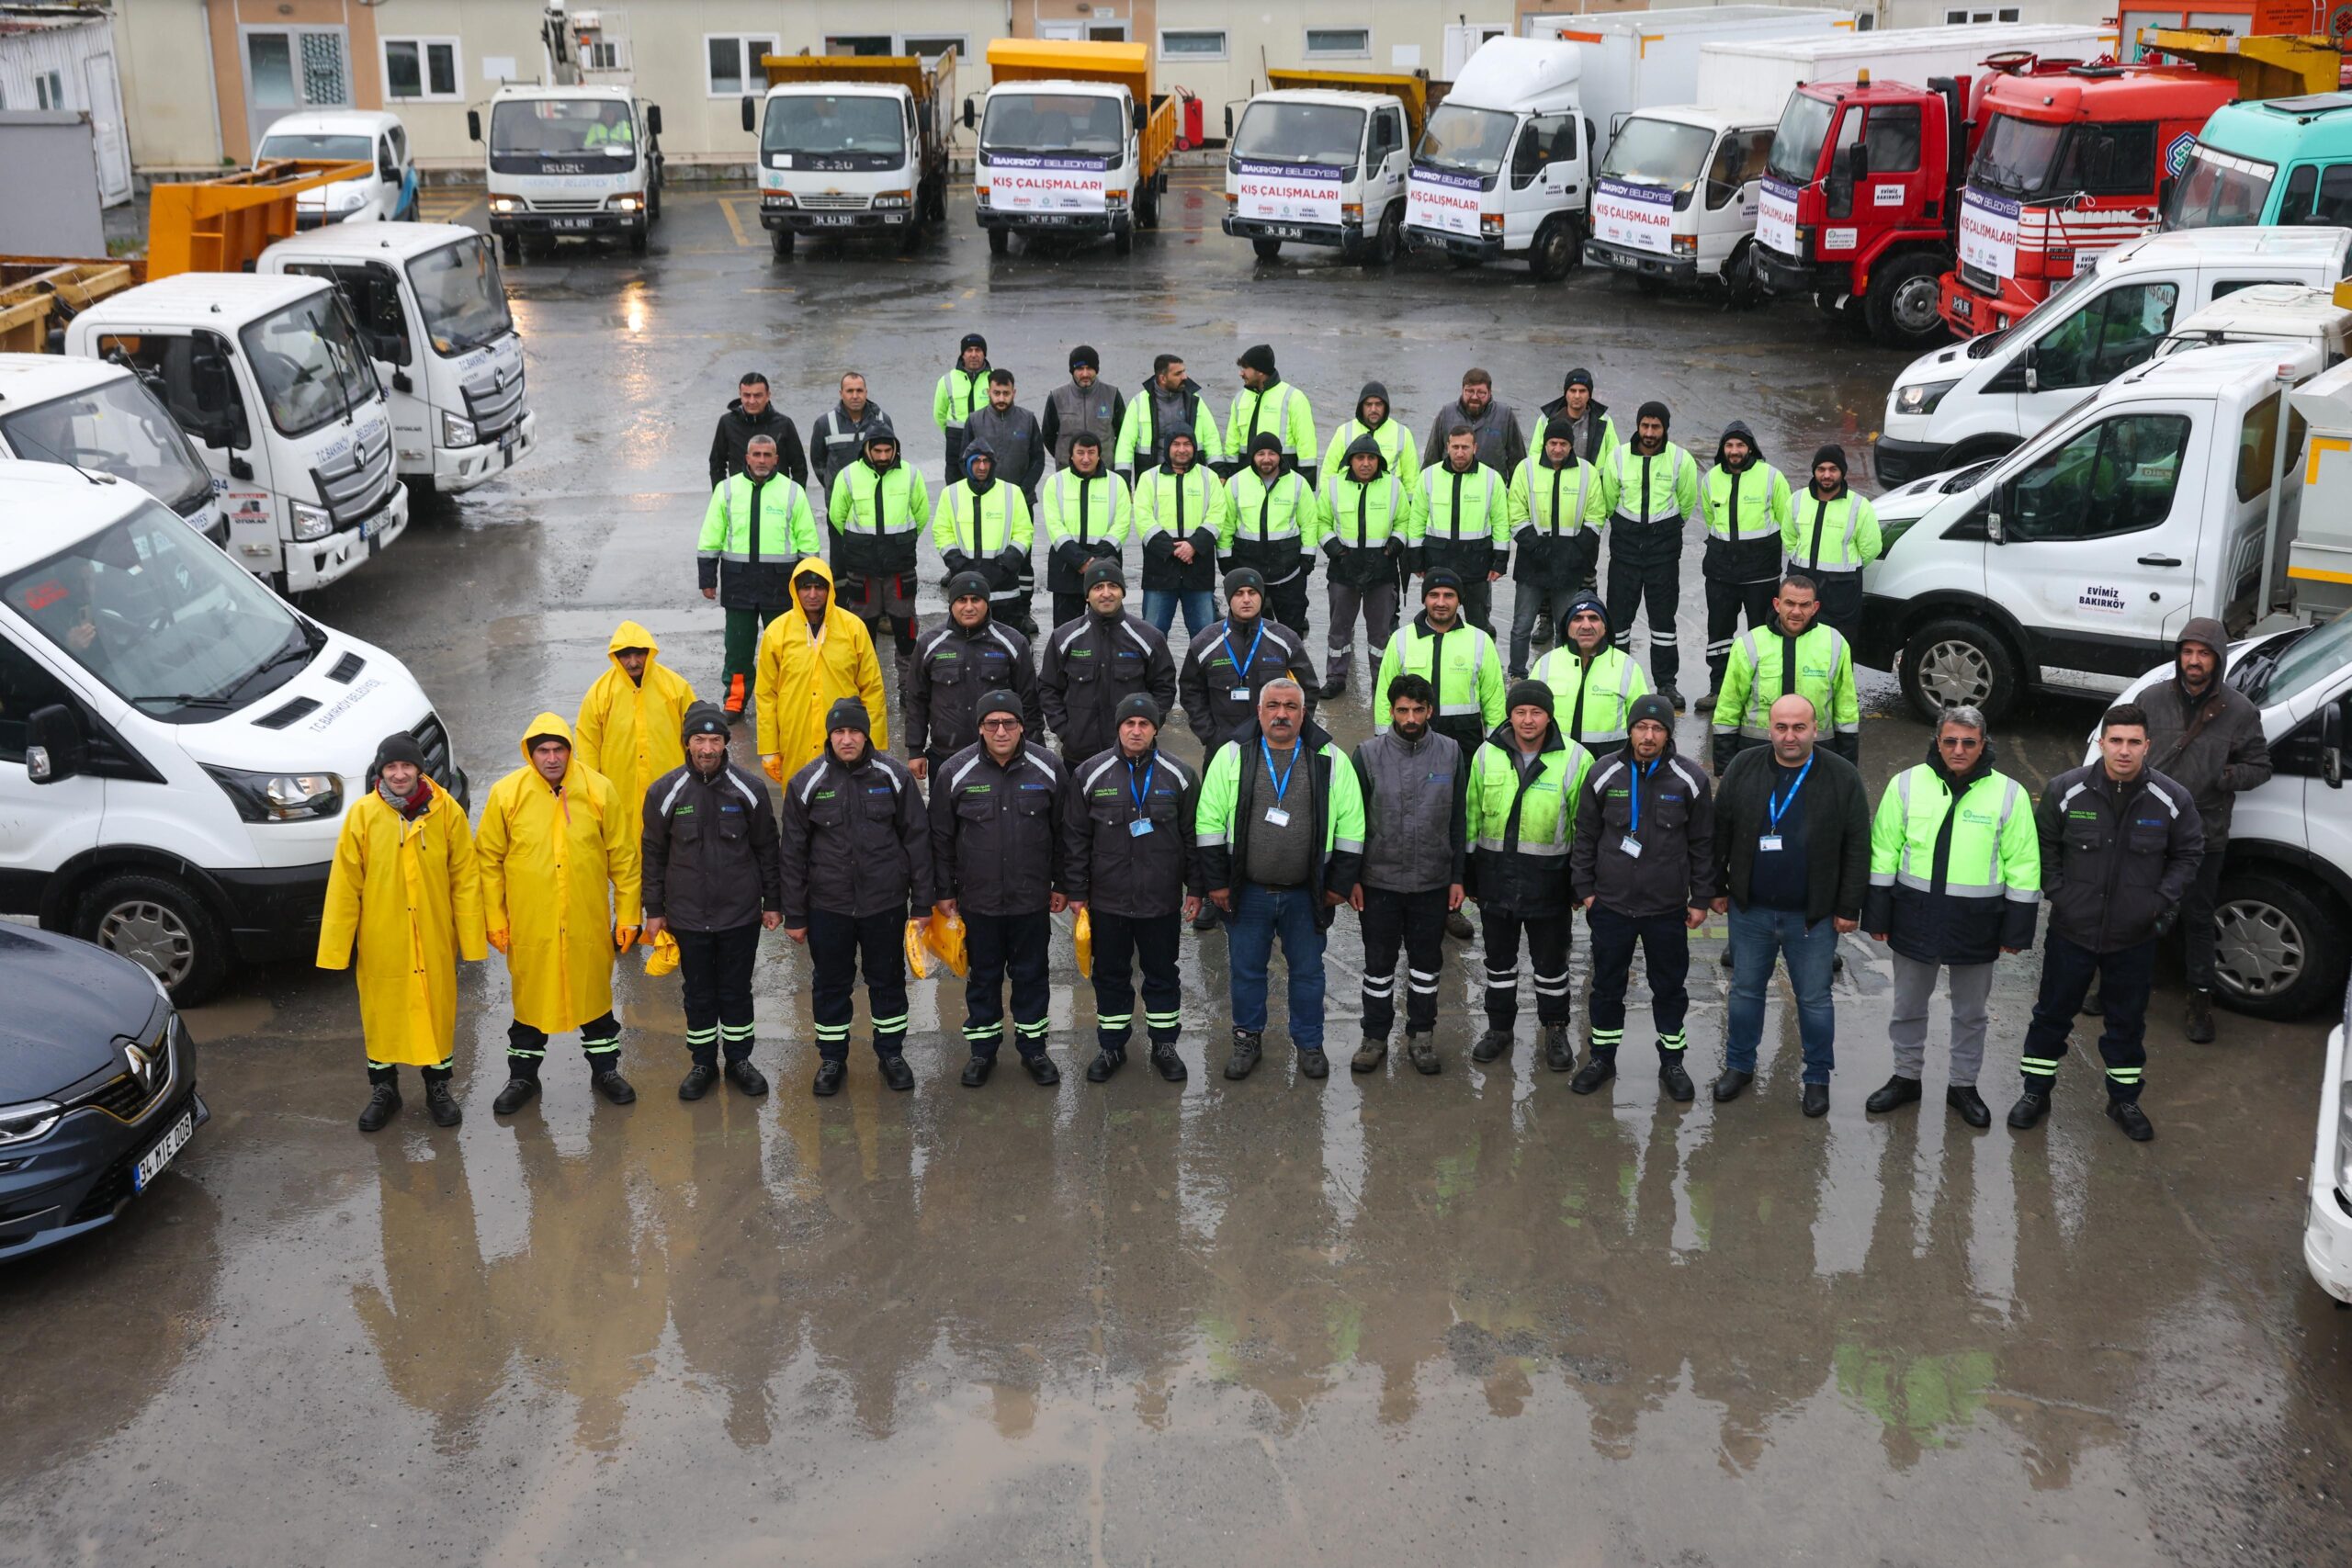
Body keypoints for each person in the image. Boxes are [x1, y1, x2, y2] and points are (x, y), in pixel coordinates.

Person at [2011, 703, 2204, 1143]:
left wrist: (2158, 902)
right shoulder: (2065, 790)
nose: (2124, 751)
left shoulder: (2172, 800)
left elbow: (2189, 854)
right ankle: (2035, 1093)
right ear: (2101, 743)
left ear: (2147, 746)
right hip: (2071, 933)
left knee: (2127, 1024)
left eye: (2134, 742)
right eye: (2115, 741)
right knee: (2050, 1016)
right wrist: (2060, 893)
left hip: (2133, 939)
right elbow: (2043, 846)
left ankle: (2124, 1099)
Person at [1861, 705, 2041, 1129]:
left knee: (1971, 1014)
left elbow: (2023, 863)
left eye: (1969, 742)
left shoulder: (2010, 794)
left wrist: (2016, 927)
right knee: (1907, 1006)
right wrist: (1879, 914)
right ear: (1937, 741)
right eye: (1950, 741)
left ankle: (1963, 1086)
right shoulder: (1904, 785)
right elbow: (1884, 851)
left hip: (1977, 921)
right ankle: (1906, 1078)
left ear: (1984, 744)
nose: (1958, 750)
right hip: (1913, 916)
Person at [1709, 694, 1870, 1118]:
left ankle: (1817, 1077)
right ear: (1769, 729)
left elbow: (1857, 847)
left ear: (1816, 729)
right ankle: (1739, 1066)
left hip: (1812, 917)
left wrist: (1849, 907)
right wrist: (1715, 888)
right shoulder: (1744, 767)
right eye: (1781, 727)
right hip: (1751, 911)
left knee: (1814, 999)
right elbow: (1719, 831)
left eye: (1799, 727)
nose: (1790, 736)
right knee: (1744, 991)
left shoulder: (1842, 776)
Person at [1196, 678, 1366, 1081]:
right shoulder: (1232, 756)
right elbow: (1208, 820)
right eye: (1273, 705)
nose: (1281, 714)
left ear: (1303, 713)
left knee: (1308, 973)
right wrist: (1216, 883)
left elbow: (1352, 826)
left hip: (1307, 895)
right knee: (1246, 971)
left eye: (1291, 706)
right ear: (1259, 711)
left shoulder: (1330, 758)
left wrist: (1338, 885)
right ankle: (1246, 1039)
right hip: (1247, 891)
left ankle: (1309, 1044)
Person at [318, 733, 485, 1132]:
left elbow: (465, 877)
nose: (398, 774)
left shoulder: (447, 814)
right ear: (380, 771)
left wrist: (472, 939)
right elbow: (345, 885)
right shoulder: (362, 815)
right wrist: (335, 949)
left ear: (418, 769)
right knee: (382, 1017)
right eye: (390, 767)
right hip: (382, 939)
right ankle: (384, 1091)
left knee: (436, 1014)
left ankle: (438, 1089)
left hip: (432, 936)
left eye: (406, 766)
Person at [477, 714, 643, 1115]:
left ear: (569, 750)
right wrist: (496, 919)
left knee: (595, 1005)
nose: (552, 759)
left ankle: (605, 1071)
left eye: (559, 750)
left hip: (586, 923)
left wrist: (627, 915)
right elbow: (488, 861)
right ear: (531, 754)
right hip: (533, 926)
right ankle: (523, 1077)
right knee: (531, 1007)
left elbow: (623, 857)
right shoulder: (507, 795)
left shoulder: (598, 790)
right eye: (543, 751)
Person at [779, 698, 934, 1096]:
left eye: (855, 731)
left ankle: (891, 1055)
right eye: (839, 732)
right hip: (828, 907)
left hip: (884, 903)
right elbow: (793, 853)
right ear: (829, 736)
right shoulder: (806, 782)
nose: (847, 739)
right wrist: (794, 915)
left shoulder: (895, 777)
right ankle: (832, 1059)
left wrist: (921, 905)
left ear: (867, 734)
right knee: (831, 984)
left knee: (887, 981)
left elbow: (917, 840)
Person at [1571, 693, 1714, 1099]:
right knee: (1606, 986)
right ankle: (1602, 1057)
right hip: (1611, 905)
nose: (1647, 736)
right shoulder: (1603, 773)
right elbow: (1585, 835)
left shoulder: (1690, 780)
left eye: (1657, 728)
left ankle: (1673, 1062)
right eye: (1641, 727)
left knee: (1669, 987)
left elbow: (1703, 843)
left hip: (1666, 909)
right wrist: (1585, 891)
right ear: (1630, 730)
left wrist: (1700, 899)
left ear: (1668, 733)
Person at [2135, 617, 2271, 1043]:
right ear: (2179, 656)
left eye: (2204, 653)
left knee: (2196, 917)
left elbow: (2260, 767)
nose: (2194, 661)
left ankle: (2199, 1003)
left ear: (2218, 659)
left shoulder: (2240, 711)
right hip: (2149, 828)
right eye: (2188, 652)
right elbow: (2126, 747)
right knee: (2136, 911)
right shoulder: (2151, 699)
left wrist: (2223, 776)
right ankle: (2123, 988)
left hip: (2204, 833)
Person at [640, 702, 783, 1100]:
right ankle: (703, 1063)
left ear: (726, 743)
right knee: (698, 993)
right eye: (699, 740)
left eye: (715, 740)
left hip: (739, 915)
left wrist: (773, 902)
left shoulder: (748, 790)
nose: (707, 748)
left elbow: (768, 848)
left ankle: (739, 1060)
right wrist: (654, 910)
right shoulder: (664, 792)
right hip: (686, 916)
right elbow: (652, 853)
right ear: (686, 744)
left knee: (736, 990)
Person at [930, 690, 1069, 1088]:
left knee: (1032, 975)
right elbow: (940, 838)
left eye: (1009, 722)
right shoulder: (954, 772)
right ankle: (982, 1052)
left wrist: (1063, 883)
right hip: (978, 900)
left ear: (1022, 726)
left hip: (1031, 899)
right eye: (992, 723)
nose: (1001, 730)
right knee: (983, 977)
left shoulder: (1049, 767)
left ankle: (1033, 1049)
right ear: (980, 728)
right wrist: (944, 892)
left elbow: (1066, 833)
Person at [1063, 693, 1201, 1084]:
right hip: (1108, 901)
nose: (1136, 730)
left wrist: (1197, 889)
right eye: (1129, 723)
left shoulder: (1180, 775)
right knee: (1109, 974)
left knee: (1162, 973)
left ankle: (1164, 1045)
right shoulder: (1089, 773)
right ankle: (1111, 1045)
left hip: (1161, 900)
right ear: (1118, 727)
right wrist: (1076, 890)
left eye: (1144, 724)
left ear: (1156, 729)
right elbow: (1074, 838)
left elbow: (1192, 836)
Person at [1464, 681, 1592, 1067]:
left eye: (1536, 712)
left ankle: (1555, 1030)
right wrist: (1469, 875)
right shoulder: (1486, 755)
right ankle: (1499, 1028)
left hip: (1549, 882)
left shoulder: (1575, 758)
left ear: (1549, 715)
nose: (1527, 720)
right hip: (1495, 880)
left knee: (1551, 966)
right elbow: (1470, 817)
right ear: (1510, 714)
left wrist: (1578, 883)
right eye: (1520, 712)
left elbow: (1584, 828)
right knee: (1498, 963)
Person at [1349, 673, 1466, 1075]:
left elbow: (1459, 820)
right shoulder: (1366, 755)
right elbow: (1352, 823)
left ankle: (1422, 1036)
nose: (1411, 717)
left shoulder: (1451, 753)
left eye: (1418, 709)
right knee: (1378, 966)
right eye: (1403, 710)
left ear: (1430, 710)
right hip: (1379, 883)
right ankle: (1374, 1036)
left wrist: (1457, 877)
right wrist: (1352, 879)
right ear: (1391, 711)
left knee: (1426, 965)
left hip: (1432, 883)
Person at [698, 434, 820, 720]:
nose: (762, 460)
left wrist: (808, 584)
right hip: (738, 583)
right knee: (738, 649)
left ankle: (784, 698)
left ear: (777, 459)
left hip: (781, 584)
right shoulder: (727, 490)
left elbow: (808, 541)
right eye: (757, 455)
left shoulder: (791, 492)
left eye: (768, 455)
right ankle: (735, 701)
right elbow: (711, 533)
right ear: (747, 458)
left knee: (784, 648)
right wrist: (707, 578)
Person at [1598, 400, 1699, 710]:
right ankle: (1617, 678)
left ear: (1665, 428)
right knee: (1619, 619)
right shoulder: (1618, 457)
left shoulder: (1681, 460)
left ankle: (1666, 683)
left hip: (1663, 552)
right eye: (1645, 426)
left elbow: (1687, 502)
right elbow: (1609, 498)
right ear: (1638, 425)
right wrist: (1627, 527)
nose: (1650, 433)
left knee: (1663, 621)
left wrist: (1664, 530)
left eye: (1656, 427)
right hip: (1625, 550)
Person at [756, 558, 888, 783]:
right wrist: (769, 748)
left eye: (819, 587)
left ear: (830, 590)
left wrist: (874, 743)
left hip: (845, 740)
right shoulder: (777, 632)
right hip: (795, 738)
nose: (813, 594)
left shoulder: (853, 628)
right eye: (806, 587)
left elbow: (872, 689)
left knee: (847, 804)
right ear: (795, 591)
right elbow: (766, 695)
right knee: (799, 806)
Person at [1712, 574, 1861, 771]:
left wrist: (1847, 767)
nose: (1796, 612)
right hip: (1758, 755)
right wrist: (1725, 767)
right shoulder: (1749, 644)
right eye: (1789, 603)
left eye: (1804, 605)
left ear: (1815, 607)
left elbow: (1846, 709)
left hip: (1818, 756)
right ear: (1777, 604)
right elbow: (1728, 707)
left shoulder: (1835, 643)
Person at [573, 620, 696, 858]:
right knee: (626, 856)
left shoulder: (676, 687)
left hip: (672, 788)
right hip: (620, 791)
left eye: (638, 654)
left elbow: (697, 737)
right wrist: (593, 793)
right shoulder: (600, 694)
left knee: (676, 851)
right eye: (625, 656)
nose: (632, 662)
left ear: (648, 653)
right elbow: (588, 743)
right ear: (615, 657)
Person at [1039, 558, 1178, 762]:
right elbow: (1048, 688)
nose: (1106, 593)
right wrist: (1066, 731)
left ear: (1122, 591)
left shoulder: (1149, 638)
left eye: (1113, 586)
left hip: (1133, 754)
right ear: (1087, 595)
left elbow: (1164, 688)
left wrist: (1148, 727)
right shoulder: (1064, 637)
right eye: (1098, 587)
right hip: (1079, 755)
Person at [908, 570, 1042, 780]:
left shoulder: (1013, 643)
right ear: (951, 604)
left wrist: (1034, 751)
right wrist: (915, 750)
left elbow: (1029, 702)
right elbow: (916, 699)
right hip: (946, 757)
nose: (969, 607)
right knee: (943, 813)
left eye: (976, 600)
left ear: (987, 603)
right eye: (962, 600)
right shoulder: (929, 644)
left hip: (1001, 758)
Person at [826, 423, 929, 694]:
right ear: (867, 450)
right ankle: (864, 686)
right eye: (877, 450)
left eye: (888, 450)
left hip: (900, 567)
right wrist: (863, 545)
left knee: (905, 628)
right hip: (863, 568)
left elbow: (921, 515)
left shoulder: (911, 475)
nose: (883, 456)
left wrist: (897, 545)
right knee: (862, 628)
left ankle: (908, 686)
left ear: (895, 449)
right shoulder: (848, 476)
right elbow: (837, 517)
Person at [1697, 421, 1792, 714]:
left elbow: (1785, 518)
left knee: (1763, 633)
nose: (1734, 451)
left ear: (1750, 447)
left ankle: (1765, 690)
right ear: (1723, 449)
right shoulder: (1712, 478)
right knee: (1719, 634)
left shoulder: (1771, 477)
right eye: (1729, 445)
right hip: (1720, 573)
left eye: (1740, 445)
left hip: (1760, 574)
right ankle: (1719, 688)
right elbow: (1710, 520)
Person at [1317, 432, 1419, 698]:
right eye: (1360, 458)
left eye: (1371, 458)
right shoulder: (1333, 485)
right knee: (1339, 629)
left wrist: (1393, 548)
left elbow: (1404, 522)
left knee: (1380, 633)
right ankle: (1336, 678)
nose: (1365, 463)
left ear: (1379, 461)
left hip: (1382, 570)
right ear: (1350, 460)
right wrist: (1335, 550)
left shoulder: (1394, 486)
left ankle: (1382, 680)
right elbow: (1321, 522)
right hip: (1343, 569)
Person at [1506, 425, 1607, 678]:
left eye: (1563, 443)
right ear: (1545, 443)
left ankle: (1564, 673)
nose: (1558, 449)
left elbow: (1596, 516)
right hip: (1532, 561)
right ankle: (1518, 673)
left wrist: (1575, 552)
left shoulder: (1587, 473)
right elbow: (1515, 513)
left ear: (1571, 445)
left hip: (1569, 563)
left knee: (1567, 625)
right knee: (1522, 625)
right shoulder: (1526, 469)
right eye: (1553, 443)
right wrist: (1537, 547)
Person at [1375, 569, 1505, 763]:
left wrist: (1495, 745)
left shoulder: (1480, 640)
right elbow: (1385, 692)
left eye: (1449, 596)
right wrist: (1383, 740)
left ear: (1459, 600)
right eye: (1434, 595)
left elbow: (1494, 697)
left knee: (1462, 794)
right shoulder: (1400, 639)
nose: (1441, 603)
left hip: (1465, 740)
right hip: (1412, 734)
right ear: (1424, 599)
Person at [1529, 367, 1619, 621]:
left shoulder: (1603, 422)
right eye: (1572, 390)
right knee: (1548, 561)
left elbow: (1612, 462)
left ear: (1589, 394)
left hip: (1586, 500)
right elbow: (1535, 456)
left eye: (1582, 391)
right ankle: (1546, 620)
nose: (1577, 396)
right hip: (1552, 498)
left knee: (1586, 561)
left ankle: (1590, 613)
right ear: (1565, 392)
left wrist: (1603, 497)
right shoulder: (1546, 419)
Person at [1221, 432, 1321, 636]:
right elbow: (1226, 524)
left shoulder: (1298, 484)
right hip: (1248, 569)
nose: (1266, 459)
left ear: (1280, 456)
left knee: (1291, 630)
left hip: (1289, 572)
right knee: (1247, 630)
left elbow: (1310, 523)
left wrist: (1308, 558)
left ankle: (1289, 666)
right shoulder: (1235, 483)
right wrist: (1225, 559)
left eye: (1272, 454)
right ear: (1252, 456)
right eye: (1261, 454)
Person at [1134, 429, 1227, 641]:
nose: (1182, 449)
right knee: (1152, 636)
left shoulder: (1209, 477)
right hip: (1160, 569)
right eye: (1176, 444)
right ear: (1167, 448)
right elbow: (1142, 518)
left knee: (1205, 636)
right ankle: (1154, 675)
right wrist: (1172, 549)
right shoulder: (1150, 478)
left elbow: (1217, 515)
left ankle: (1204, 675)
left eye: (1187, 444)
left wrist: (1193, 545)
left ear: (1194, 448)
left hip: (1198, 567)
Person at [932, 439, 1035, 630]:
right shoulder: (951, 494)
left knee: (1009, 641)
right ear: (967, 464)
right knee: (967, 642)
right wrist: (960, 564)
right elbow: (942, 531)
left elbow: (1024, 531)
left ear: (993, 464)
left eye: (986, 461)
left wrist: (1005, 564)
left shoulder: (1012, 492)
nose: (981, 466)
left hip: (1004, 584)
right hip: (965, 581)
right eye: (976, 461)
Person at [1416, 427, 1510, 636]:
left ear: (1474, 448)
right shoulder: (1428, 476)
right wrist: (1415, 559)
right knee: (1437, 621)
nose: (1460, 452)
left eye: (1465, 447)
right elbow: (1417, 521)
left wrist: (1500, 561)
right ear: (1448, 447)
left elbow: (1501, 522)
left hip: (1477, 564)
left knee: (1478, 625)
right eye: (1455, 447)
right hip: (1438, 561)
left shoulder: (1491, 478)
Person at [1782, 446, 1880, 645]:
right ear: (1814, 471)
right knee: (1800, 649)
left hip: (1841, 595)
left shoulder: (1859, 506)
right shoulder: (1797, 500)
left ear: (1842, 472)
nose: (1826, 475)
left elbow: (1871, 548)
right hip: (1802, 589)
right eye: (1821, 469)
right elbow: (1789, 537)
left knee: (1838, 651)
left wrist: (1844, 571)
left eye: (1833, 469)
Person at [1531, 594, 1649, 751]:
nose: (1586, 626)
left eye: (1593, 618)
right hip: (1556, 762)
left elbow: (1645, 723)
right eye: (1578, 618)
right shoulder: (1546, 664)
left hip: (1609, 764)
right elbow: (1528, 716)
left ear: (1605, 626)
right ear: (1567, 626)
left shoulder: (1627, 667)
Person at [1039, 432, 1131, 626]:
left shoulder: (1117, 483)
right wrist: (1080, 560)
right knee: (1066, 629)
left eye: (1091, 452)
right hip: (1066, 565)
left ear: (1100, 455)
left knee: (1106, 627)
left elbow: (1122, 525)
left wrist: (1094, 562)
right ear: (1071, 455)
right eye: (1080, 452)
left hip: (1105, 563)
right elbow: (1054, 525)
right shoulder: (1055, 482)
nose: (1086, 458)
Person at [1116, 353, 1223, 481]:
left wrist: (1219, 473)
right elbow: (1125, 444)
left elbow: (1211, 438)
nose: (1185, 377)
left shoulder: (1195, 401)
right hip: (1152, 480)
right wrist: (1123, 481)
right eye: (1178, 374)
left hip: (1190, 478)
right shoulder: (1139, 402)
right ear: (1162, 378)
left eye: (1184, 371)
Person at [1225, 344, 1317, 475]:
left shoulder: (1294, 398)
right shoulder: (1240, 398)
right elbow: (1232, 441)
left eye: (1245, 368)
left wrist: (1307, 481)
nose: (1241, 373)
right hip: (1246, 477)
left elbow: (1306, 444)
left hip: (1284, 475)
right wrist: (1228, 475)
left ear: (1260, 371)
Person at [1422, 367, 1527, 479]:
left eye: (1481, 392)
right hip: (1451, 487)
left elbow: (1517, 460)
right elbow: (1431, 457)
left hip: (1491, 489)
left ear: (1490, 393)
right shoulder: (1446, 414)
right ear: (1462, 390)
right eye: (1470, 391)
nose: (1474, 397)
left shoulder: (1505, 416)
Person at [707, 370, 808, 488]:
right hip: (740, 497)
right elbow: (717, 465)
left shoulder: (784, 424)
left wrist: (794, 497)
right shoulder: (727, 423)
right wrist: (721, 495)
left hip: (776, 498)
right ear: (740, 395)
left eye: (757, 395)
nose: (752, 401)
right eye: (747, 395)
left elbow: (799, 467)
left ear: (768, 395)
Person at [1040, 344, 1127, 469]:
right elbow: (1048, 436)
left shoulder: (1112, 395)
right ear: (1072, 371)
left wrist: (1109, 457)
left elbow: (1123, 434)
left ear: (1096, 370)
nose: (1085, 374)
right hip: (1067, 472)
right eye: (1080, 368)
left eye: (1090, 368)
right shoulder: (1057, 397)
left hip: (1104, 471)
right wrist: (1064, 457)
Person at [1319, 380, 1419, 487]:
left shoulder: (1403, 433)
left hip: (1387, 499)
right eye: (1368, 404)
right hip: (1350, 499)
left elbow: (1411, 478)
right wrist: (1326, 500)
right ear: (1361, 407)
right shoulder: (1344, 431)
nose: (1373, 409)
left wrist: (1409, 501)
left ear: (1385, 406)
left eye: (1378, 404)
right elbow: (1328, 472)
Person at [808, 370, 889, 499]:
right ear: (841, 394)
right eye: (850, 391)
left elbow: (891, 457)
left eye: (859, 390)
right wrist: (832, 485)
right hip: (840, 500)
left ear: (866, 392)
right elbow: (818, 463)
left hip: (874, 499)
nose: (855, 396)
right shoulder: (824, 423)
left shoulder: (882, 420)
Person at [933, 332, 992, 482]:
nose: (973, 354)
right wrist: (953, 435)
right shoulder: (947, 380)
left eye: (978, 350)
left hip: (988, 443)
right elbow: (939, 415)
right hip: (956, 446)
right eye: (969, 350)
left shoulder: (994, 379)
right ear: (962, 354)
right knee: (956, 492)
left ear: (984, 354)